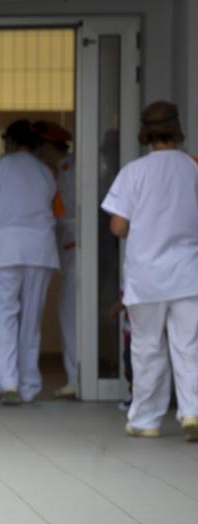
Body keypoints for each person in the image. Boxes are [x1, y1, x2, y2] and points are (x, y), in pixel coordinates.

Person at [101, 101, 198, 441]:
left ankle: (146, 419)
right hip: (188, 274)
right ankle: (192, 412)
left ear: (145, 132)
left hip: (146, 277)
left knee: (147, 347)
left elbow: (117, 226)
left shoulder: (133, 172)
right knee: (189, 345)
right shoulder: (193, 167)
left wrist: (146, 226)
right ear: (178, 128)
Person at [0, 119, 59, 405]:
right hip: (40, 252)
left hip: (4, 252)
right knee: (30, 321)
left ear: (9, 142)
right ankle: (29, 385)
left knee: (0, 317)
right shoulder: (46, 172)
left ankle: (8, 383)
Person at [33, 121, 79, 398]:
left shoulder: (68, 170)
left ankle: (77, 377)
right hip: (71, 250)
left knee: (71, 315)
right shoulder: (60, 170)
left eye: (41, 149)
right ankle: (77, 375)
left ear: (50, 148)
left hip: (76, 248)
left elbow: (68, 213)